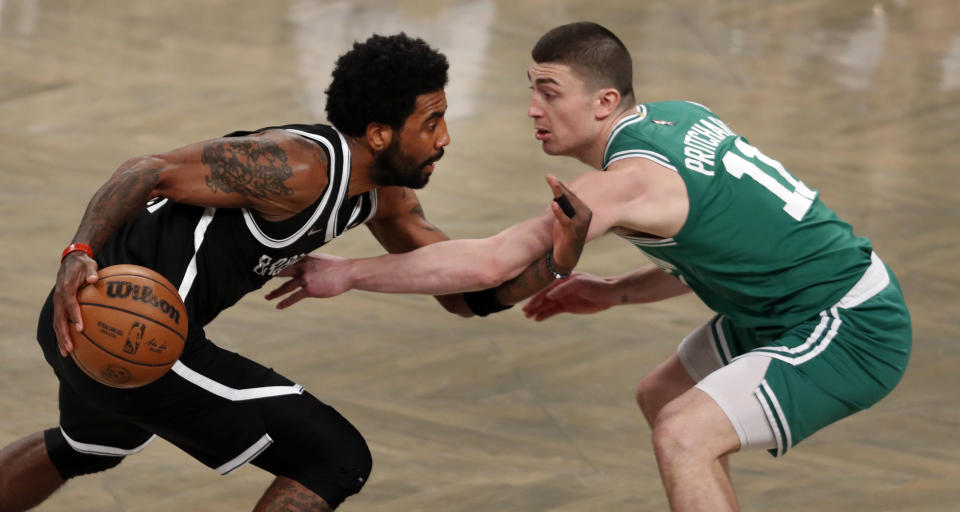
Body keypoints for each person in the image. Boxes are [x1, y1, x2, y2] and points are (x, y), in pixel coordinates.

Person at [266, 22, 912, 512]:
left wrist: (349, 274)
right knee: (661, 397)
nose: (533, 109)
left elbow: (490, 262)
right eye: (532, 91)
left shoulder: (624, 184)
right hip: (779, 305)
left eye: (550, 93)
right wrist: (615, 292)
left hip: (849, 325)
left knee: (685, 434)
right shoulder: (681, 118)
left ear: (604, 102)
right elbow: (728, 244)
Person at [0, 32, 590, 512]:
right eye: (431, 122)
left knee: (89, 447)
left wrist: (557, 261)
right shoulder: (296, 166)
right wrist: (78, 252)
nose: (445, 138)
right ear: (381, 134)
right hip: (132, 333)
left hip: (88, 334)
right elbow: (147, 169)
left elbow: (464, 295)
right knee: (334, 457)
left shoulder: (383, 197)